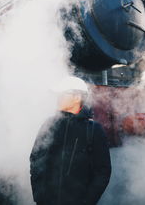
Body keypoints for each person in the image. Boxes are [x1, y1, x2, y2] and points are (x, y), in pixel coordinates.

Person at [30, 76, 111, 205]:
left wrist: (87, 202)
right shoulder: (49, 124)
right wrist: (39, 197)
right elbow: (35, 160)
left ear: (77, 97)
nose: (58, 98)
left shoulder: (93, 130)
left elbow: (102, 172)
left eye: (62, 94)